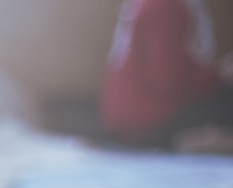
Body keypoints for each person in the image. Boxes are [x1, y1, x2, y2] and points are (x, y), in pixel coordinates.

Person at [100, 0, 233, 151]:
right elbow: (166, 81)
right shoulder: (167, 6)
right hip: (148, 118)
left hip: (130, 115)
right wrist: (218, 74)